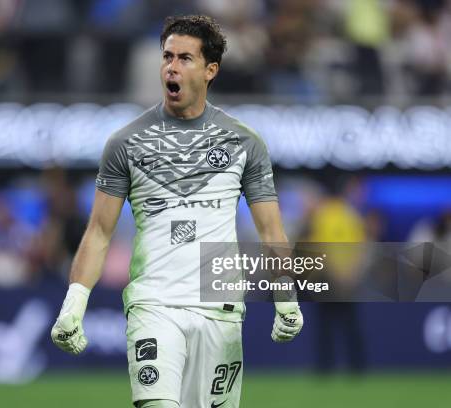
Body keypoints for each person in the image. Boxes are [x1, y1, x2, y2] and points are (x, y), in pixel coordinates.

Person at [51, 15, 303, 408]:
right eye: (167, 56)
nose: (172, 66)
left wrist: (286, 297)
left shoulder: (244, 143)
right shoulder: (125, 143)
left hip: (220, 310)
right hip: (154, 304)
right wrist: (74, 304)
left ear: (210, 70)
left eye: (186, 58)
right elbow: (99, 232)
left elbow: (271, 230)